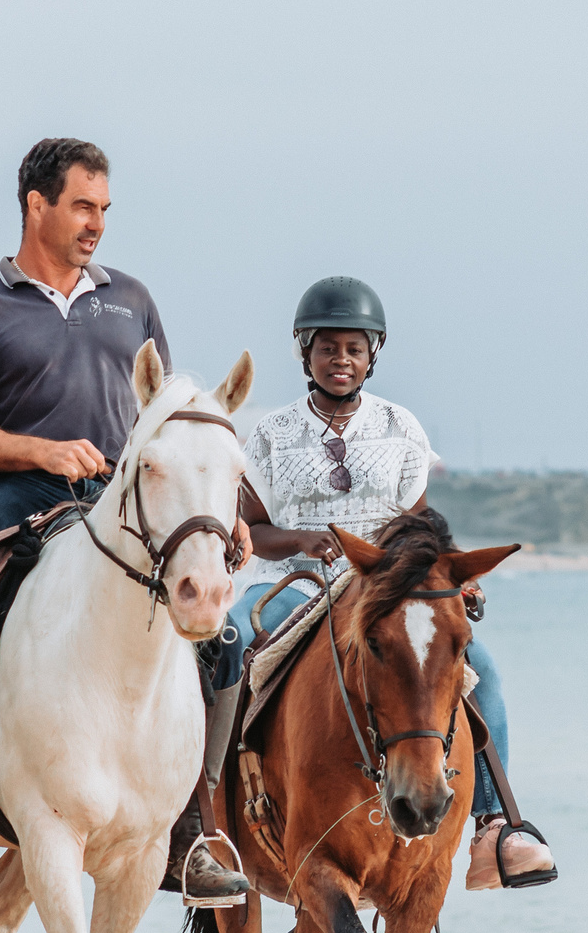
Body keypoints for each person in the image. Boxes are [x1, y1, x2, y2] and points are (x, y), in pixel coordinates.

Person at [0, 137, 251, 903]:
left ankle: (191, 830)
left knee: (227, 637)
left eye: (105, 210)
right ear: (36, 204)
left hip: (127, 507)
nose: (97, 224)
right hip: (17, 494)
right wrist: (40, 453)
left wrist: (219, 520)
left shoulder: (133, 299)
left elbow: (173, 425)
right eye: (83, 206)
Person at [229, 276, 558, 889]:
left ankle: (496, 827)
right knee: (225, 645)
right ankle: (205, 824)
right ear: (306, 352)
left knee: (481, 668)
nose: (341, 361)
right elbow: (252, 525)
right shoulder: (271, 433)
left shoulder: (401, 427)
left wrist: (454, 578)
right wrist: (302, 541)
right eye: (328, 348)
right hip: (295, 581)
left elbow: (421, 525)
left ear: (372, 353)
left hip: (388, 589)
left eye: (354, 348)